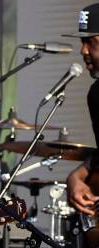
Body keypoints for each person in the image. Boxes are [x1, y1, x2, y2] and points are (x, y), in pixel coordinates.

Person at [65, 3, 99, 218]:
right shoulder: (96, 93)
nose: (82, 50)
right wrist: (77, 176)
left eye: (91, 42)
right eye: (81, 42)